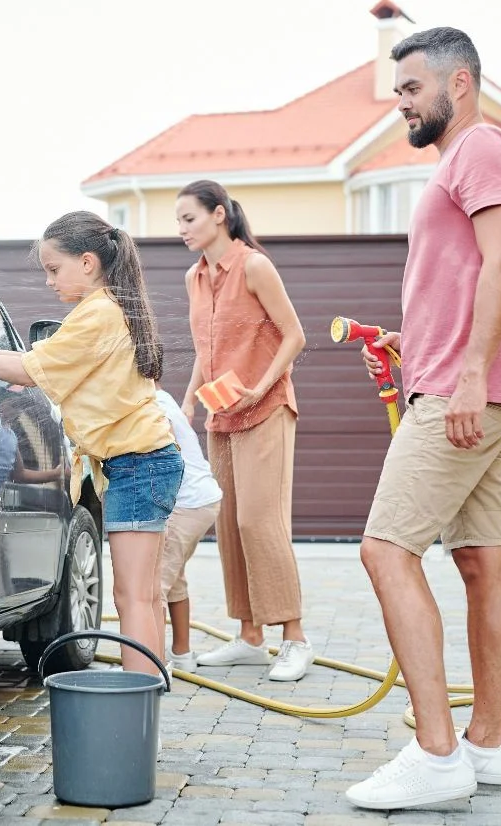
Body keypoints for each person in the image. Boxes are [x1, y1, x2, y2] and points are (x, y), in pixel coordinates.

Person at [344, 27, 501, 810]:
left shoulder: (483, 149)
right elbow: (465, 277)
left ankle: (435, 756)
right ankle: (486, 744)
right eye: (398, 90)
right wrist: (416, 345)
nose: (401, 103)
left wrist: (465, 377)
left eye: (409, 89)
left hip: (467, 394)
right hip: (455, 380)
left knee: (384, 550)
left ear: (457, 83)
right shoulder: (460, 163)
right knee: (478, 558)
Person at [0, 211, 183, 675]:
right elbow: (34, 360)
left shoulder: (97, 316)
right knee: (143, 596)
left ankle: (138, 708)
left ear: (87, 263)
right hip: (145, 462)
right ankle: (148, 703)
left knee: (132, 598)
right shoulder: (103, 310)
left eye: (54, 269)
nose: (49, 281)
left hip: (139, 465)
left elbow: (28, 373)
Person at [175, 179, 314, 682]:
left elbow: (295, 335)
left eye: (189, 218)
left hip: (267, 407)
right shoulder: (194, 277)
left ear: (218, 215)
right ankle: (251, 638)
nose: (182, 229)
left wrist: (261, 385)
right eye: (178, 221)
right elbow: (203, 348)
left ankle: (294, 638)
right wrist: (189, 399)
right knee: (230, 525)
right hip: (220, 415)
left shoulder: (254, 265)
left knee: (260, 520)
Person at [151, 388, 222, 672]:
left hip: (187, 504)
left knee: (153, 586)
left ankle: (151, 664)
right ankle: (181, 654)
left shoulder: (151, 405)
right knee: (173, 577)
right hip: (200, 500)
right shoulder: (161, 396)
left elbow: (163, 450)